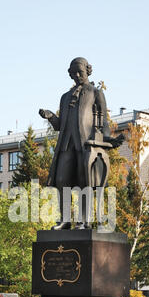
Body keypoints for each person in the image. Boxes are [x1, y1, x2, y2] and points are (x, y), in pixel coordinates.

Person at [39, 57, 123, 230]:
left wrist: (107, 139)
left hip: (86, 145)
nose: (77, 75)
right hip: (66, 145)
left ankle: (83, 221)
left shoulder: (95, 93)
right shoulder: (64, 97)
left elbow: (103, 123)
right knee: (62, 180)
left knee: (85, 182)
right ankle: (65, 219)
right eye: (74, 73)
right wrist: (51, 117)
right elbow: (59, 125)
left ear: (88, 71)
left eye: (80, 72)